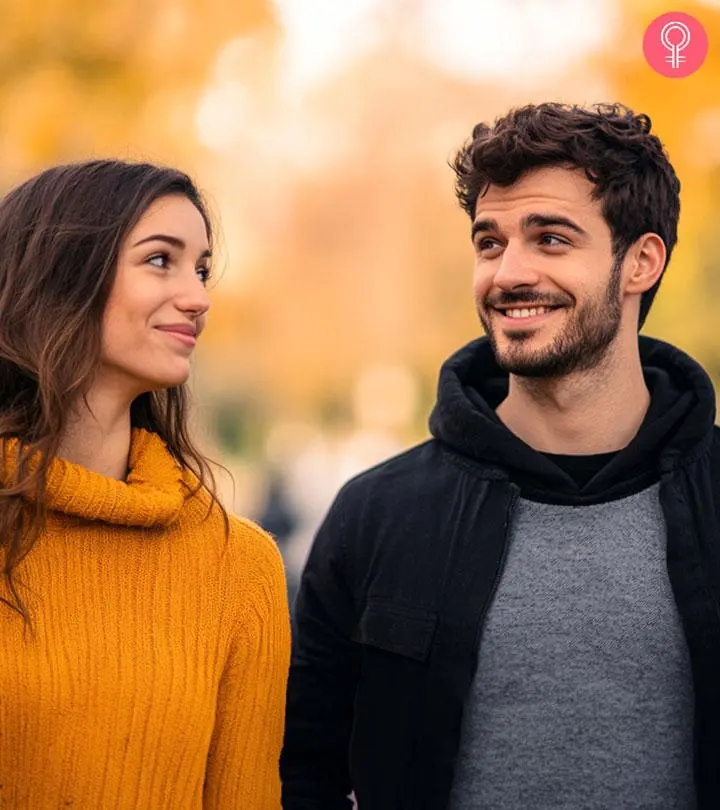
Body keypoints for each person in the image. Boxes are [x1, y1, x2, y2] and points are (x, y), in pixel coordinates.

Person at [281, 103, 720, 810]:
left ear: (641, 261)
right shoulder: (378, 514)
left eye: (550, 239)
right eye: (490, 243)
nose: (508, 273)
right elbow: (303, 769)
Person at [0, 160, 291, 809]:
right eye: (161, 260)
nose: (198, 297)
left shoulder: (238, 567)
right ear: (60, 274)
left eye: (202, 269)